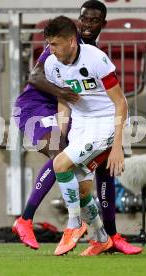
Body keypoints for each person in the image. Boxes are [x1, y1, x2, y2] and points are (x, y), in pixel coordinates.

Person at [12, 0, 142, 255]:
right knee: (60, 155)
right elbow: (35, 77)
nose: (87, 25)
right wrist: (63, 94)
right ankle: (27, 218)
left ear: (103, 24)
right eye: (84, 19)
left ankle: (107, 236)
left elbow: (111, 99)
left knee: (98, 172)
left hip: (74, 112)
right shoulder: (61, 45)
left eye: (94, 21)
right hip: (36, 108)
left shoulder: (91, 54)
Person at [43, 15, 126, 256]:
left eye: (55, 44)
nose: (51, 49)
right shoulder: (51, 64)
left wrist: (118, 145)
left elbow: (120, 103)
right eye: (49, 44)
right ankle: (101, 239)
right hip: (81, 123)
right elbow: (64, 102)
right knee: (81, 192)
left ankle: (74, 224)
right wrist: (60, 135)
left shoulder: (96, 59)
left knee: (60, 165)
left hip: (106, 122)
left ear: (71, 41)